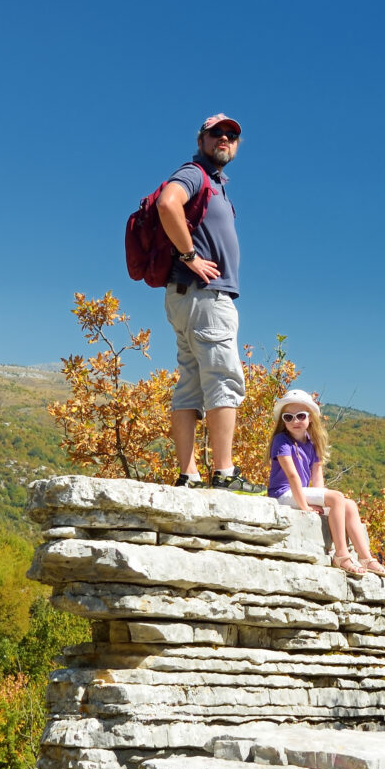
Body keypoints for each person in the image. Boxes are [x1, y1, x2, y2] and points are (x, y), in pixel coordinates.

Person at [154, 113, 253, 490]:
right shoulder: (195, 174)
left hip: (187, 299)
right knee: (223, 378)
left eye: (231, 136)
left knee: (191, 383)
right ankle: (225, 473)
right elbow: (168, 204)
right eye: (217, 134)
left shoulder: (214, 183)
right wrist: (190, 255)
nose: (224, 139)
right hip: (205, 297)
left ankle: (188, 474)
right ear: (202, 140)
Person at [266, 389, 385, 576]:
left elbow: (317, 479)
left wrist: (323, 500)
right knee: (337, 497)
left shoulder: (312, 443)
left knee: (349, 505)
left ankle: (366, 557)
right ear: (283, 421)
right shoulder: (281, 440)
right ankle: (341, 555)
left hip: (299, 491)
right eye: (288, 417)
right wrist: (305, 506)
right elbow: (292, 476)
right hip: (283, 493)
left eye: (300, 416)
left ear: (310, 418)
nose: (295, 421)